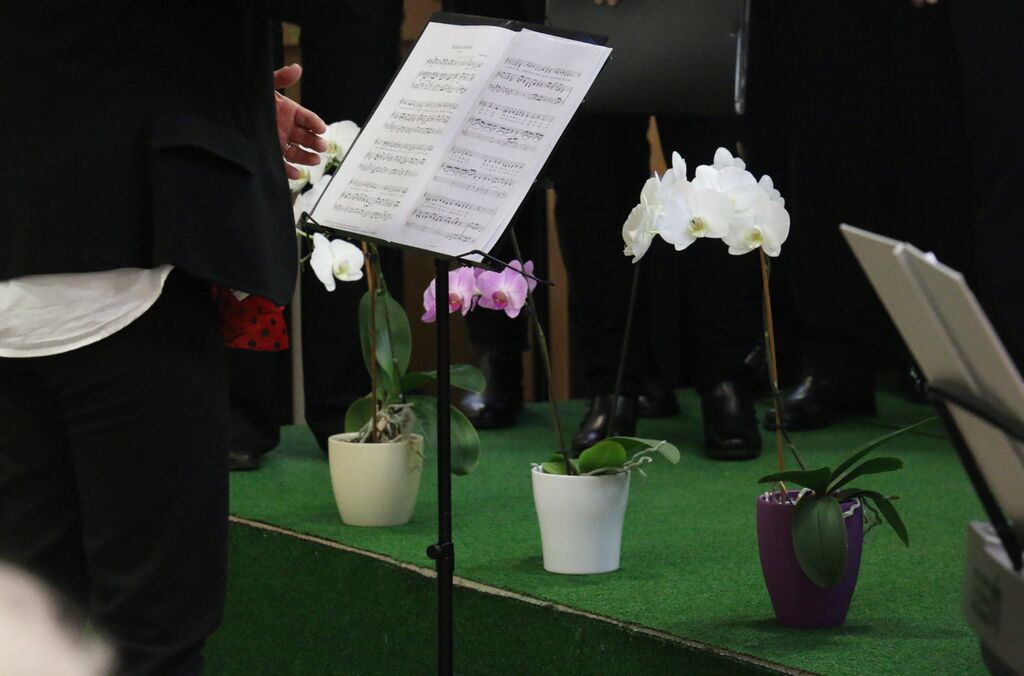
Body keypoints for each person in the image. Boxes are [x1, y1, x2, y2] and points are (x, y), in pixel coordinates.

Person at [0, 4, 338, 672]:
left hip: (23, 242)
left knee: (30, 630)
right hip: (124, 248)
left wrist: (233, 105)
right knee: (154, 633)